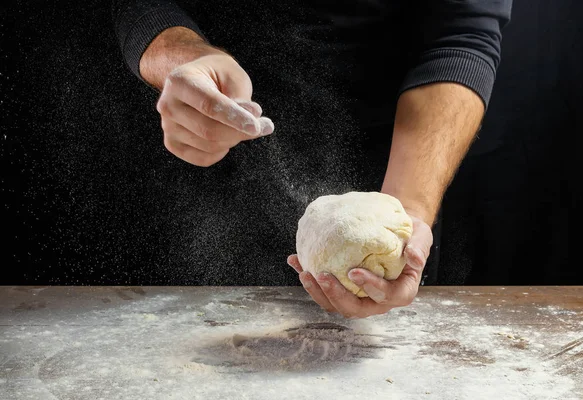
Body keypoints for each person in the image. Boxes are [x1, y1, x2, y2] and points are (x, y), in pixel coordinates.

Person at [111, 0, 513, 318]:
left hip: (394, 161)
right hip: (191, 136)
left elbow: (462, 33)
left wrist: (407, 213)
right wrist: (181, 59)